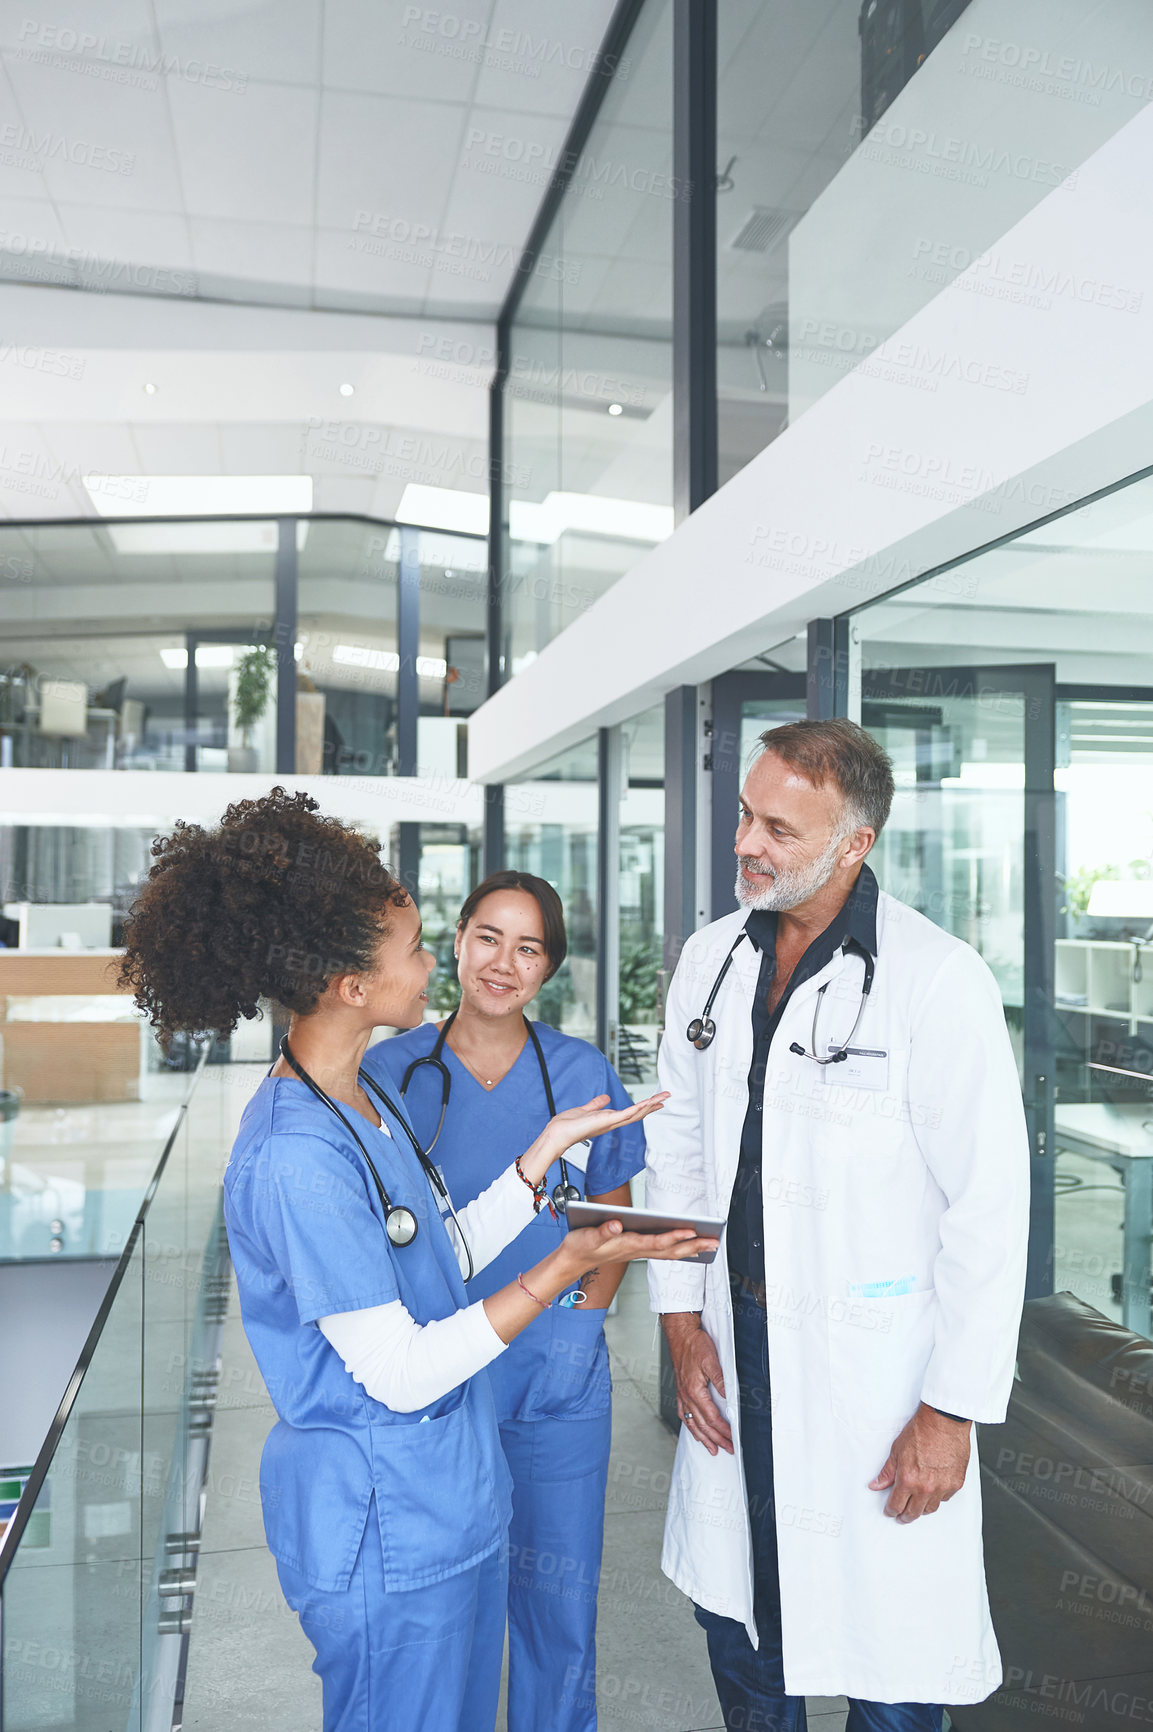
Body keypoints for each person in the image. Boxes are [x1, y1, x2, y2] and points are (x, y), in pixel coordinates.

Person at [118, 789, 716, 1732]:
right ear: (353, 986)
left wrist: (536, 1160)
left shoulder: (365, 1104)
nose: (441, 960)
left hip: (445, 1506)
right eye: (419, 948)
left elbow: (434, 1251)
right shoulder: (296, 1156)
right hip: (383, 1527)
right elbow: (395, 1371)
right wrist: (558, 1272)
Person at [646, 719, 1030, 1731]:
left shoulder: (937, 982)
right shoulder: (709, 962)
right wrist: (680, 1321)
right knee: (740, 1643)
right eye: (744, 813)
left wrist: (950, 1411)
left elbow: (989, 1213)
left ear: (851, 844)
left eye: (777, 825)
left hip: (875, 1378)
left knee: (892, 1681)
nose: (745, 842)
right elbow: (678, 1151)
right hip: (736, 1355)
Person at [365, 870, 642, 1732]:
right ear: (456, 941)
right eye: (489, 937)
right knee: (442, 1615)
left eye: (528, 949)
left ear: (547, 968)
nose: (502, 962)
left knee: (557, 1605)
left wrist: (580, 1326)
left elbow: (615, 1215)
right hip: (437, 1380)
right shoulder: (386, 1070)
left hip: (553, 1385)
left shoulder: (579, 1071)